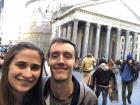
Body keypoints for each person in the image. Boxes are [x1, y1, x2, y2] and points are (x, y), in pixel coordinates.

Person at [42, 38, 98, 105]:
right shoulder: (36, 88)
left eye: (67, 56)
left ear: (76, 63)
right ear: (48, 61)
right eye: (55, 56)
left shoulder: (89, 99)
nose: (60, 61)